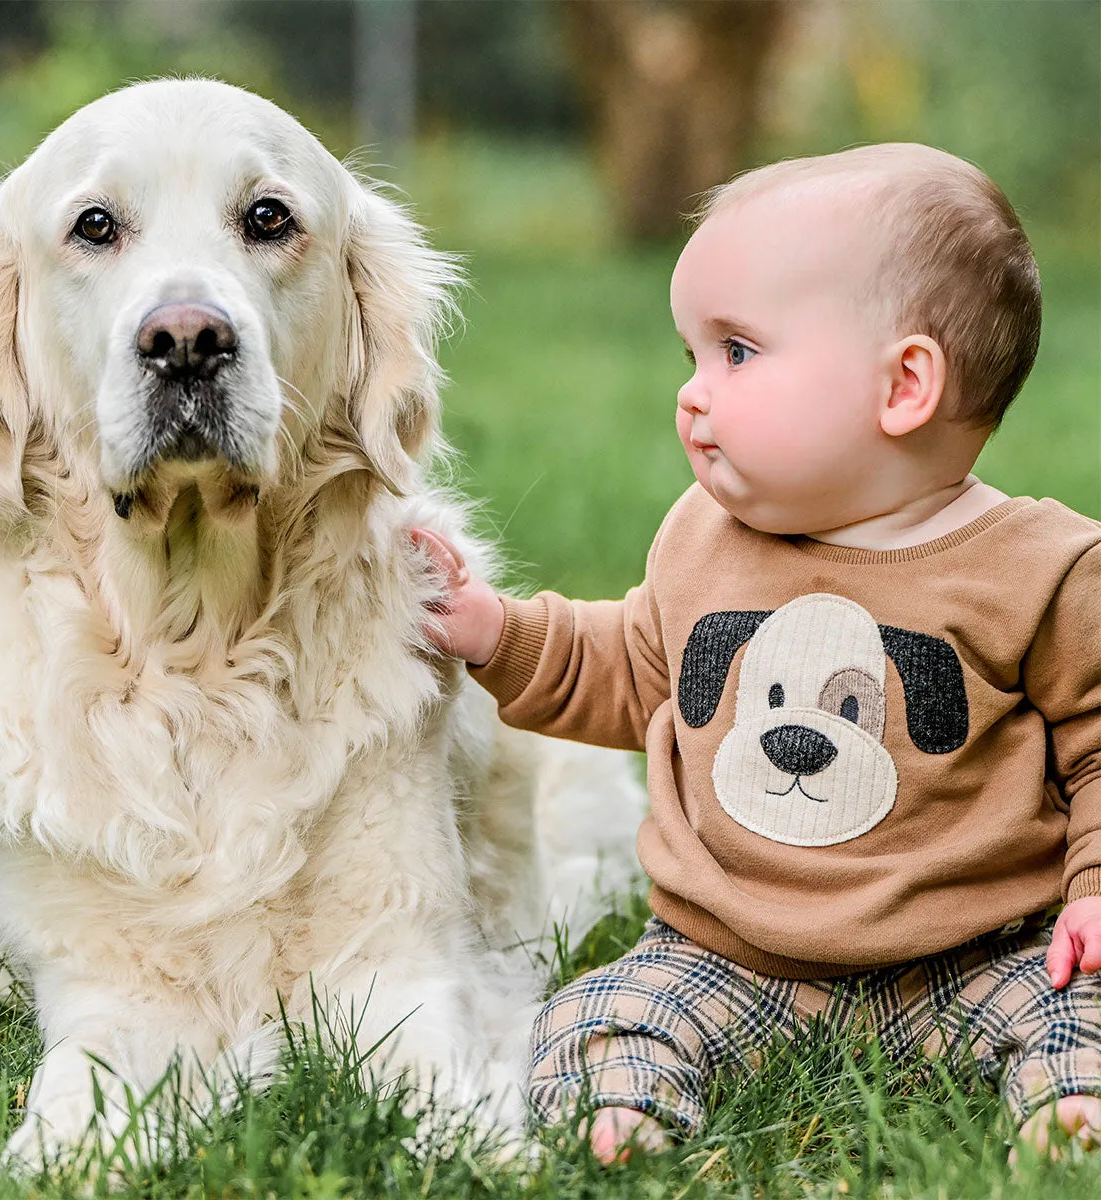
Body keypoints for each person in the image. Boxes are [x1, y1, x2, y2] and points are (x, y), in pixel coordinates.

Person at [412, 143, 1101, 1162]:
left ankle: (1068, 1104)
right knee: (592, 1019)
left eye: (736, 352)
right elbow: (630, 664)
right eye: (690, 356)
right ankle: (628, 1111)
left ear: (904, 385)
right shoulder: (703, 539)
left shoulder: (1041, 569)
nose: (693, 394)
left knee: (1078, 1005)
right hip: (726, 959)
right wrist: (498, 632)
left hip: (975, 956)